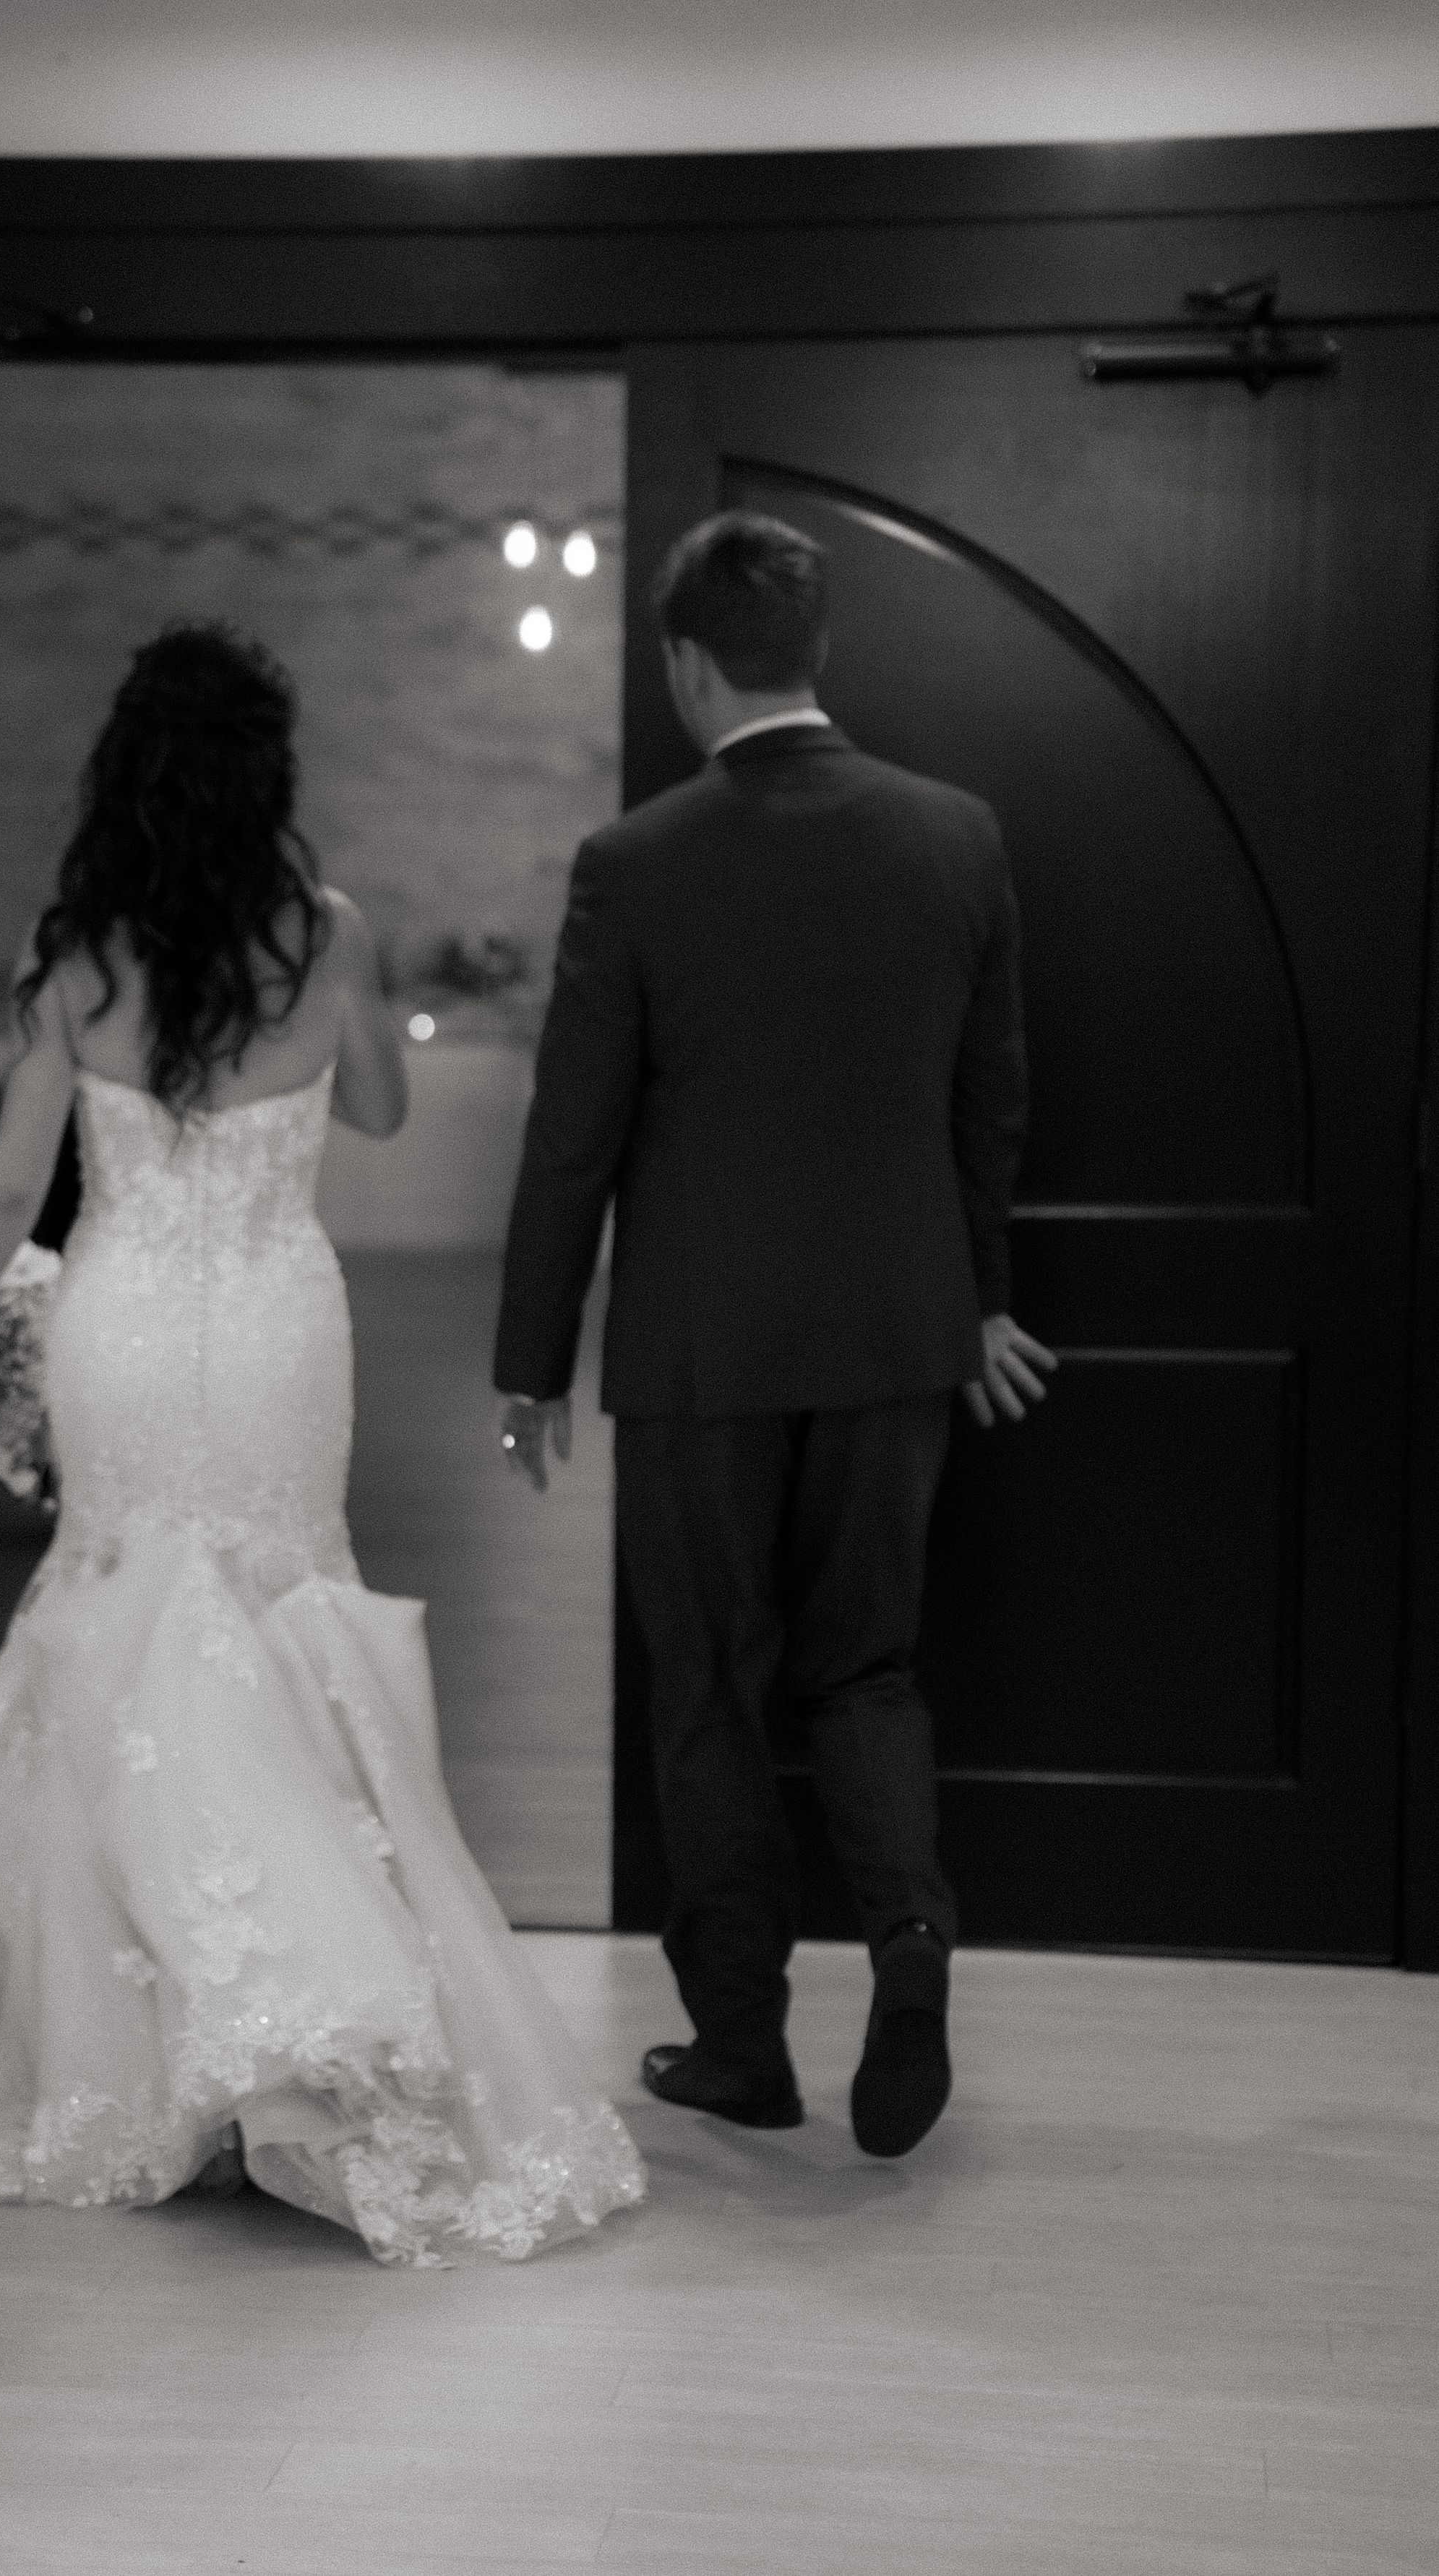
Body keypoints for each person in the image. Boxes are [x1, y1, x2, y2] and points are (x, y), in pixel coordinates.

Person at [0, 622, 645, 2262]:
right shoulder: (325, 933)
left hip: (119, 1321)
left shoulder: (79, 952)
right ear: (269, 782)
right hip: (270, 1327)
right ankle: (299, 2016)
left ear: (126, 775)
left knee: (119, 1635)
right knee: (275, 1620)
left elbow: (17, 1185)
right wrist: (346, 1009)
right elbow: (376, 1109)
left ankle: (164, 2059)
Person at [494, 512, 1055, 2158]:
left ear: (682, 660)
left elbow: (570, 1134)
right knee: (866, 1668)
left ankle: (740, 2043)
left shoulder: (635, 862)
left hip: (700, 1355)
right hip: (898, 1335)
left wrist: (529, 1360)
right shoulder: (957, 837)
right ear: (815, 650)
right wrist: (980, 1298)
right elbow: (989, 1105)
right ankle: (909, 1940)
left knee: (711, 1695)